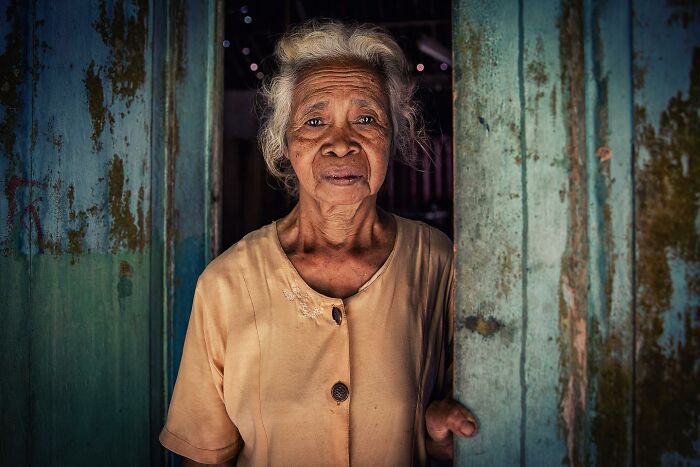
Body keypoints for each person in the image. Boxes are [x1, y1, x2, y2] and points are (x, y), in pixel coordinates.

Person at [159, 19, 477, 466]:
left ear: (393, 137)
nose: (340, 143)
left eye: (366, 119)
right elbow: (203, 457)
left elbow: (456, 425)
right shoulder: (227, 284)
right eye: (314, 120)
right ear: (285, 142)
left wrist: (441, 438)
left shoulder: (436, 261)